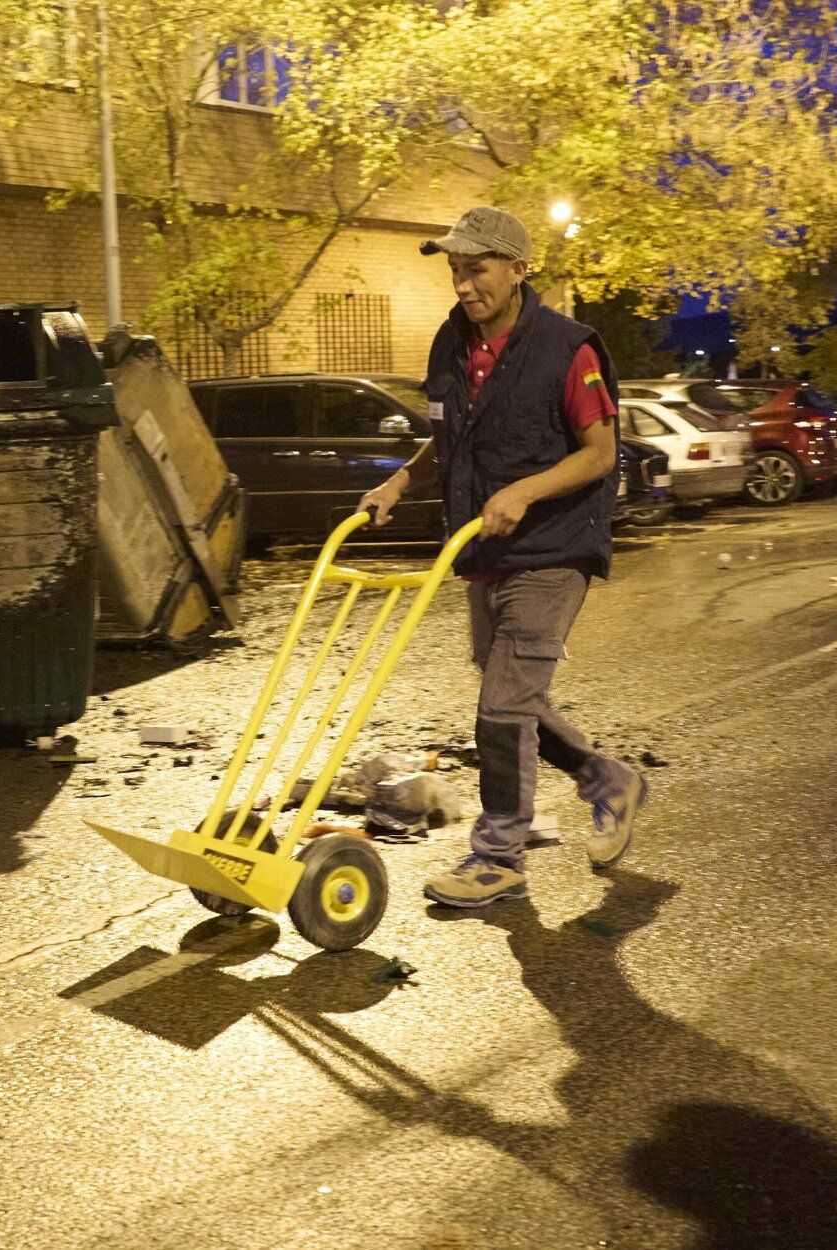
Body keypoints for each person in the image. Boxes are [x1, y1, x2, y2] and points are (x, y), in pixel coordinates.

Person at [358, 205, 647, 908]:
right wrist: (401, 479)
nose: (463, 284)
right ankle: (607, 778)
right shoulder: (449, 347)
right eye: (456, 270)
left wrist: (524, 491)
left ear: (518, 270)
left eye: (477, 268)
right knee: (508, 695)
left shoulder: (565, 348)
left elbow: (600, 455)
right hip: (484, 549)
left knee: (502, 703)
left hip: (553, 547)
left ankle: (498, 856)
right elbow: (450, 439)